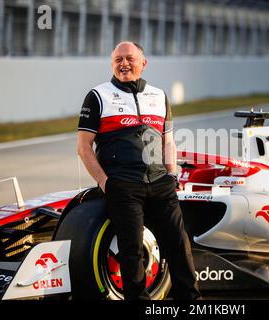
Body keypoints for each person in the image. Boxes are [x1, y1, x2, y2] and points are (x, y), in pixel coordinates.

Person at [77, 41, 201, 300]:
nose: (123, 64)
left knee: (180, 244)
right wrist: (105, 183)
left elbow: (168, 141)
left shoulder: (159, 96)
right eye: (117, 60)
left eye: (129, 58)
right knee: (131, 249)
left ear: (143, 63)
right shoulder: (98, 96)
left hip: (160, 182)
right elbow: (84, 147)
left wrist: (172, 174)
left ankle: (191, 301)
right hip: (122, 184)